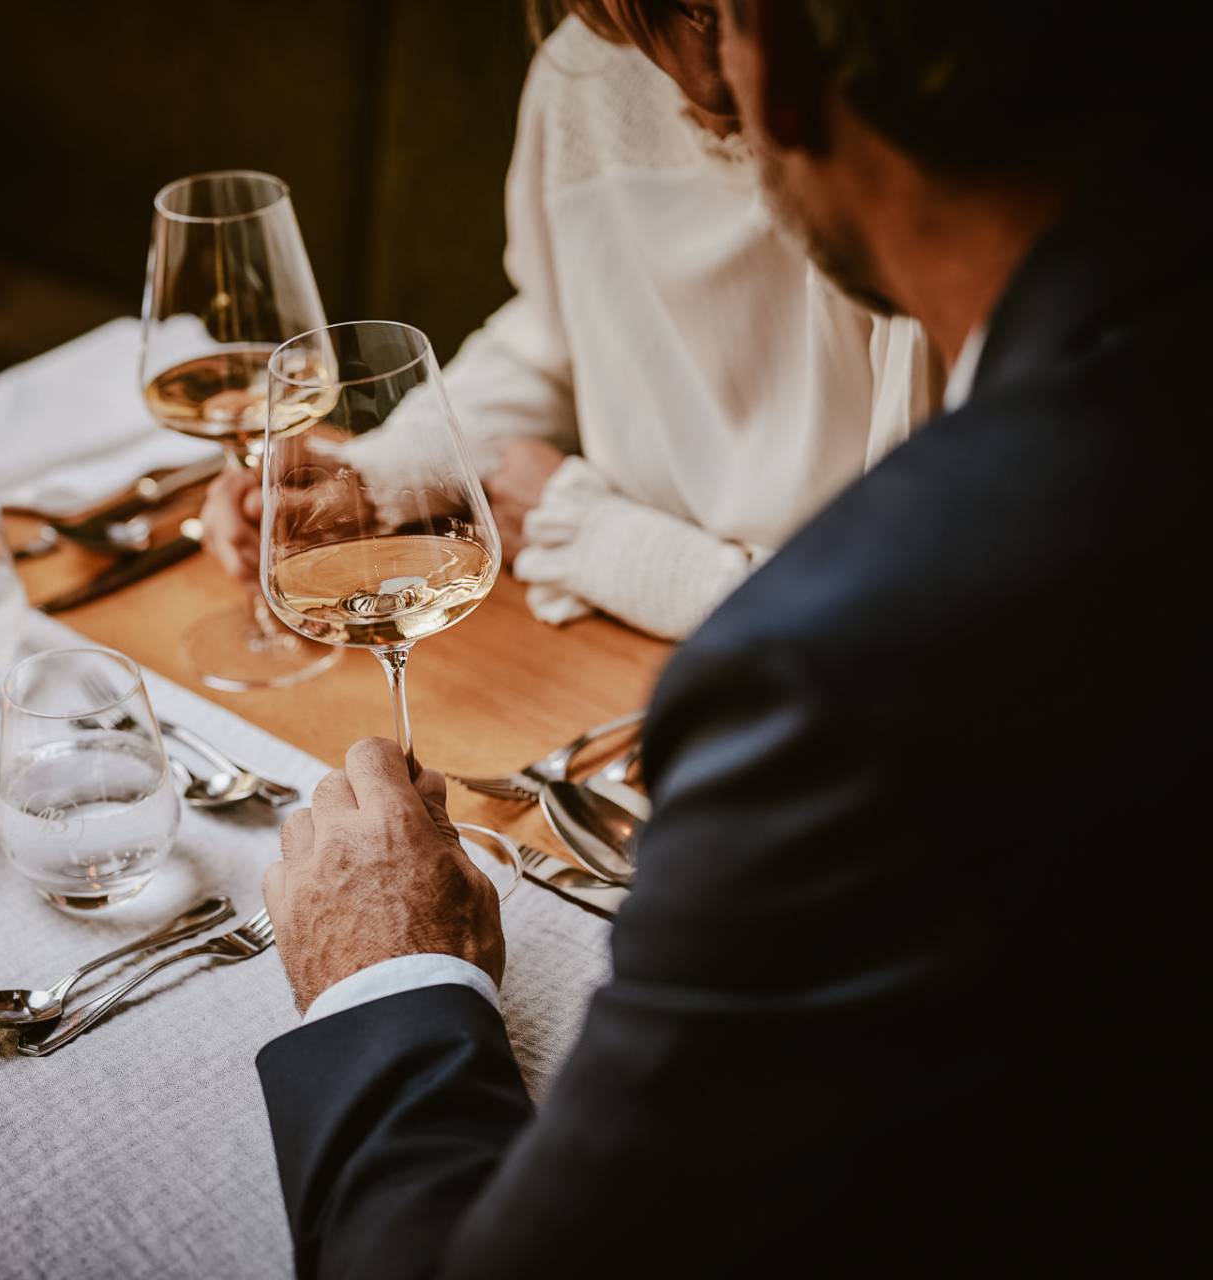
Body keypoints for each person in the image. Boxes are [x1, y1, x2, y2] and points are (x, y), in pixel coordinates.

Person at [254, 0, 1202, 1273]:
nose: (703, 92)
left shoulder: (841, 679)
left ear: (781, 65)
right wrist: (395, 469)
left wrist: (384, 976)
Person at [204, 0, 934, 640]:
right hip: (606, 641)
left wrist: (592, 537)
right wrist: (379, 478)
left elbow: (897, 621)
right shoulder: (583, 74)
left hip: (802, 682)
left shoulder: (891, 134)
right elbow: (557, 344)